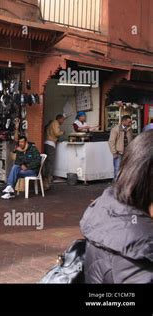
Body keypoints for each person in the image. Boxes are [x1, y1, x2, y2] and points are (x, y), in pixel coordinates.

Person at [80, 130, 153, 283]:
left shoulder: (109, 213)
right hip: (120, 155)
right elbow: (111, 142)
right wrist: (114, 152)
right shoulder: (138, 266)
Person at [108, 115, 133, 180]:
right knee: (117, 169)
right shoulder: (115, 129)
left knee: (126, 169)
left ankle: (123, 185)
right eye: (129, 122)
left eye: (130, 122)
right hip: (118, 153)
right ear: (123, 121)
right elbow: (111, 141)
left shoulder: (129, 129)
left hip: (127, 153)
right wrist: (114, 153)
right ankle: (116, 186)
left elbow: (131, 140)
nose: (130, 123)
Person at [43, 114, 65, 188]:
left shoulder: (50, 123)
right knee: (50, 161)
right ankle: (49, 178)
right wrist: (62, 132)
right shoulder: (55, 123)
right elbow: (56, 133)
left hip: (46, 143)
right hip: (50, 143)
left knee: (47, 162)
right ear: (59, 119)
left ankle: (46, 177)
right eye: (63, 119)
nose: (63, 121)